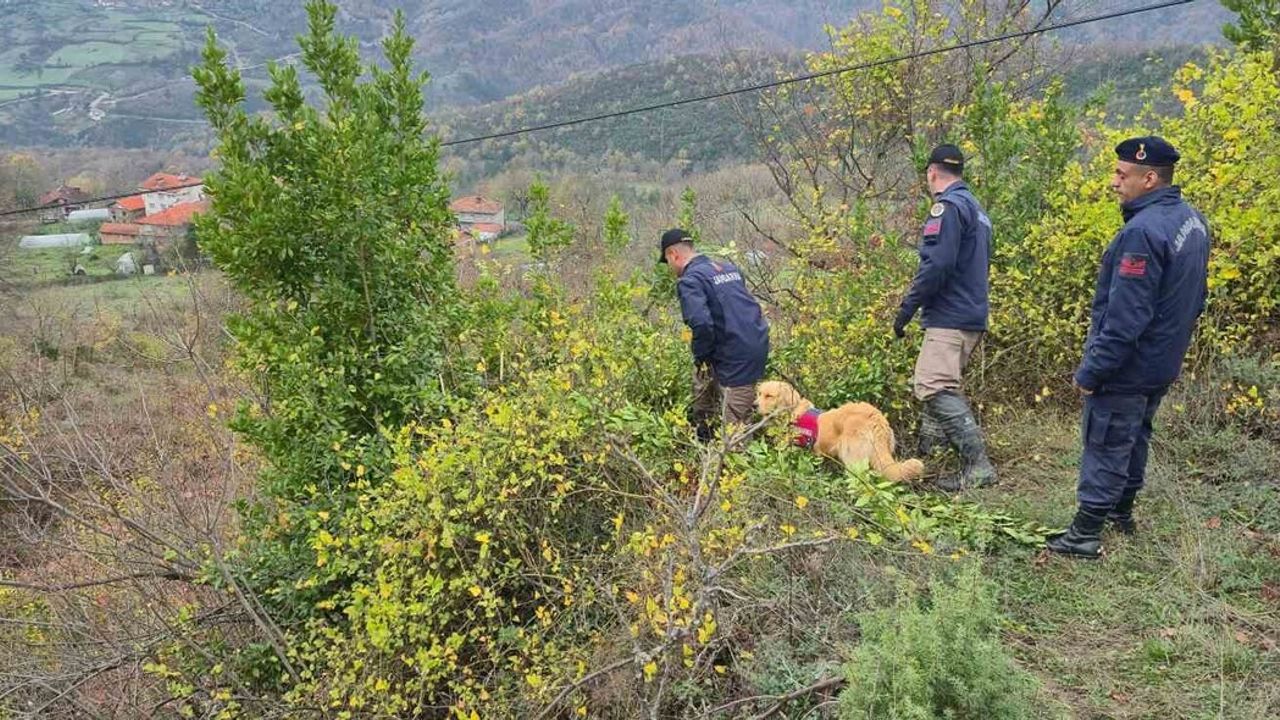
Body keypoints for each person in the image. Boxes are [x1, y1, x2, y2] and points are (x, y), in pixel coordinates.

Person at [1047, 136, 1210, 559]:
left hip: (1130, 365)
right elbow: (1198, 298)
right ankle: (1121, 513)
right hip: (1162, 362)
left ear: (1150, 178)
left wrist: (1092, 371)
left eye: (1122, 174)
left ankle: (1085, 533)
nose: (1114, 181)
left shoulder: (1141, 233)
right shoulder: (1192, 221)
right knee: (1135, 436)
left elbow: (1124, 319)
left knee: (1106, 439)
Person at [893, 143, 996, 491]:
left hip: (950, 315)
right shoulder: (977, 209)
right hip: (971, 312)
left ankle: (978, 465)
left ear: (932, 173)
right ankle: (931, 454)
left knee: (933, 385)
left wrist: (906, 309)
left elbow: (937, 264)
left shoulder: (947, 208)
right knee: (937, 382)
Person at [660, 228, 769, 442]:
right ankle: (705, 445)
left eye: (667, 261)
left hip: (736, 357)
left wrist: (701, 358)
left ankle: (736, 466)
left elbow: (701, 323)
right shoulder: (728, 269)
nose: (671, 268)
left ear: (673, 254)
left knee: (735, 431)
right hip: (752, 345)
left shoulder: (690, 280)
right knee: (704, 397)